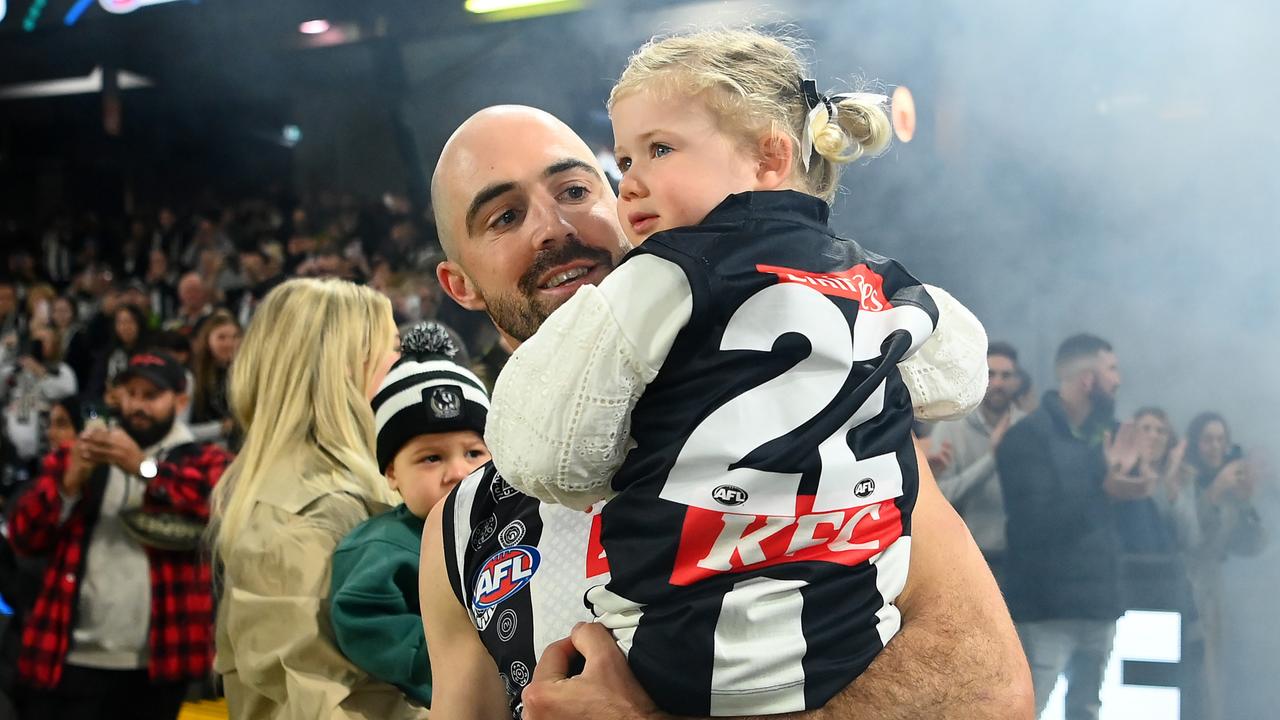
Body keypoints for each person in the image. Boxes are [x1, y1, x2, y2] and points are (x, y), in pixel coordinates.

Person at [421, 103, 1031, 719]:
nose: (553, 226)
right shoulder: (463, 525)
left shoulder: (831, 419)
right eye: (505, 216)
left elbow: (991, 694)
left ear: (626, 204)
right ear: (460, 285)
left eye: (575, 190)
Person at [210, 278, 426, 720]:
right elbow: (327, 704)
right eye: (392, 348)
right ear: (344, 367)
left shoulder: (348, 488)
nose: (403, 364)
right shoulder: (298, 515)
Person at [7, 350, 229, 720]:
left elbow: (222, 505)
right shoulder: (83, 453)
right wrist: (68, 485)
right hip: (71, 654)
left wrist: (143, 468)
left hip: (160, 662)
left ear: (180, 400)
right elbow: (24, 536)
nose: (137, 405)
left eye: (150, 396)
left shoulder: (204, 459)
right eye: (130, 393)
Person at [329, 321, 493, 709]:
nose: (458, 472)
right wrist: (448, 662)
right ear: (391, 473)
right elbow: (364, 619)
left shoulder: (518, 524)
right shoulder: (381, 546)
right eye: (431, 458)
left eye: (474, 453)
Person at [997, 333, 1147, 720]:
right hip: (1046, 611)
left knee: (1087, 710)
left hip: (1100, 606)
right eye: (1111, 369)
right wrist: (1107, 490)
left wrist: (1136, 480)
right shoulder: (1026, 439)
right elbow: (1033, 527)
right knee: (1026, 709)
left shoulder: (1107, 435)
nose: (1118, 380)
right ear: (1087, 380)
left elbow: (1121, 523)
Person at [1180, 411, 1265, 720]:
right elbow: (1191, 538)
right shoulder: (1184, 478)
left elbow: (1252, 546)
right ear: (1195, 444)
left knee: (1212, 680)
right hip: (1183, 589)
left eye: (1220, 440)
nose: (1214, 447)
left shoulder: (1231, 489)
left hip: (1213, 596)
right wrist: (1214, 491)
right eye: (1207, 440)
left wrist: (1245, 501)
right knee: (1188, 676)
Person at [928, 341, 1024, 583]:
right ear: (979, 377)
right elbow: (941, 497)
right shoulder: (951, 427)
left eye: (1006, 375)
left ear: (1017, 381)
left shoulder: (1027, 428)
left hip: (1020, 559)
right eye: (991, 374)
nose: (999, 383)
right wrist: (992, 459)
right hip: (969, 560)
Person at [188, 311, 241, 446]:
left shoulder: (247, 373)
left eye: (235, 337)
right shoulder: (191, 377)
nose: (230, 344)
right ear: (207, 340)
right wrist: (222, 428)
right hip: (206, 450)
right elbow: (181, 430)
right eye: (221, 338)